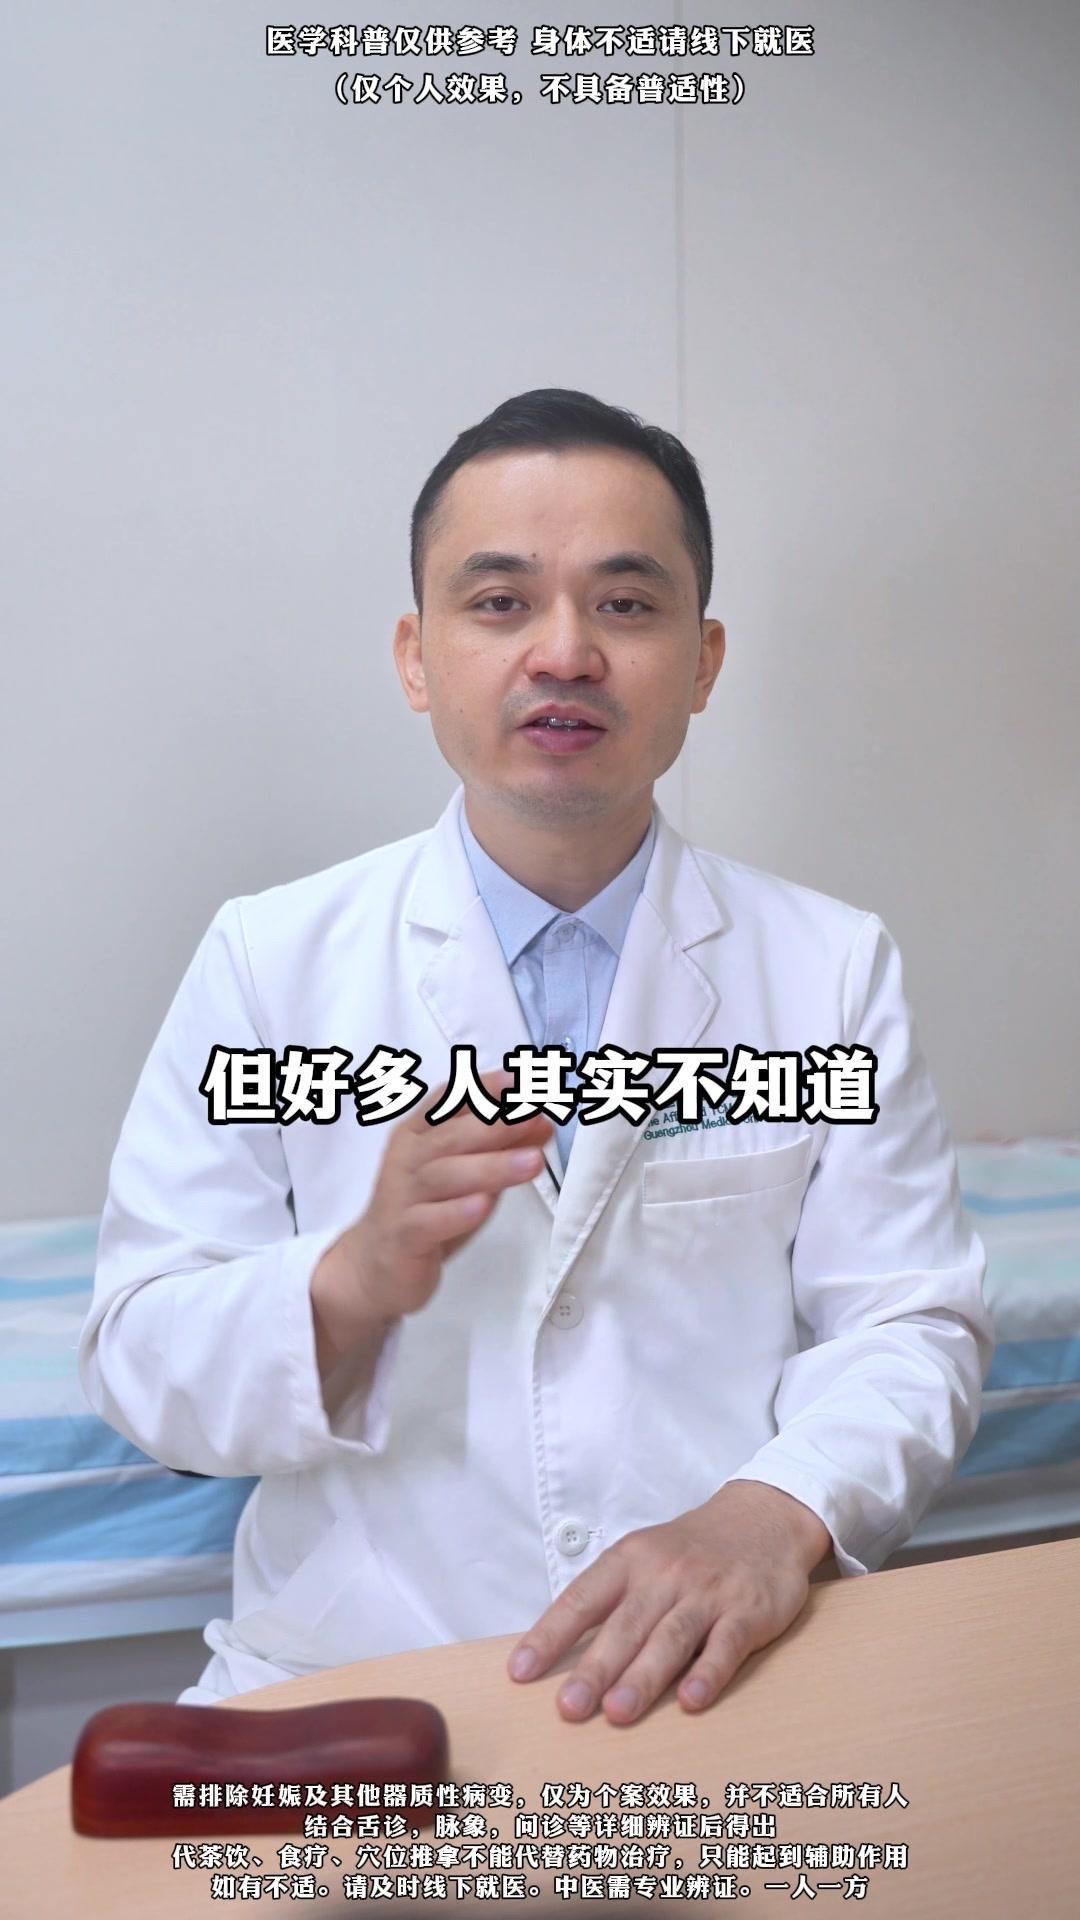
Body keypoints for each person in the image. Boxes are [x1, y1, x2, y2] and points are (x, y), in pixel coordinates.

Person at [78, 387, 992, 1726]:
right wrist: (348, 1282)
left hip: (713, 1677)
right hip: (354, 1683)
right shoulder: (269, 961)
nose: (565, 651)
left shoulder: (829, 968)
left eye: (625, 604)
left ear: (704, 661)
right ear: (416, 656)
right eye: (500, 602)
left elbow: (909, 1324)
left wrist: (772, 1513)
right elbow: (138, 1351)